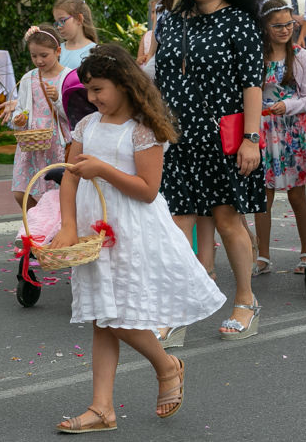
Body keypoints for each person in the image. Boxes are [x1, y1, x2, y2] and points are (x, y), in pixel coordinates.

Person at [50, 45, 225, 432]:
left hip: (130, 230)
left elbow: (147, 189)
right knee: (101, 315)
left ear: (125, 85)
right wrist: (66, 225)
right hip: (92, 229)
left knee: (116, 315)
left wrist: (103, 169)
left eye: (98, 89)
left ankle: (166, 366)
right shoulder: (86, 127)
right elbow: (70, 175)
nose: (92, 98)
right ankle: (102, 409)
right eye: (89, 90)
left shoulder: (142, 130)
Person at [154, 0, 265, 340]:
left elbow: (253, 84)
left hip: (224, 139)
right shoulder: (170, 20)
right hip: (175, 138)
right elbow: (160, 79)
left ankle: (246, 300)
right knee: (178, 221)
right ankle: (181, 308)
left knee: (227, 220)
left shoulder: (239, 21)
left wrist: (251, 139)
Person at [253, 0, 306, 276]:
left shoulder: (301, 56)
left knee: (297, 196)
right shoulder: (256, 56)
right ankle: (262, 256)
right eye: (278, 26)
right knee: (263, 196)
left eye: (289, 24)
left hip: (294, 132)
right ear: (265, 27)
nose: (285, 29)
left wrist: (288, 105)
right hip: (264, 131)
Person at [11, 24, 72, 209]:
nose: (39, 60)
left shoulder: (68, 77)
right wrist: (18, 119)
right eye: (34, 56)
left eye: (44, 55)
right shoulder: (29, 78)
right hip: (31, 143)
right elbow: (21, 108)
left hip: (56, 143)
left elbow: (73, 115)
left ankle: (55, 226)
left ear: (58, 51)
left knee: (57, 192)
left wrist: (58, 100)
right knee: (21, 191)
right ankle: (36, 223)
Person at [53, 0, 98, 69]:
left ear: (79, 19)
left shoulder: (95, 52)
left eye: (62, 20)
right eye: (57, 22)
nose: (58, 26)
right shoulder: (57, 50)